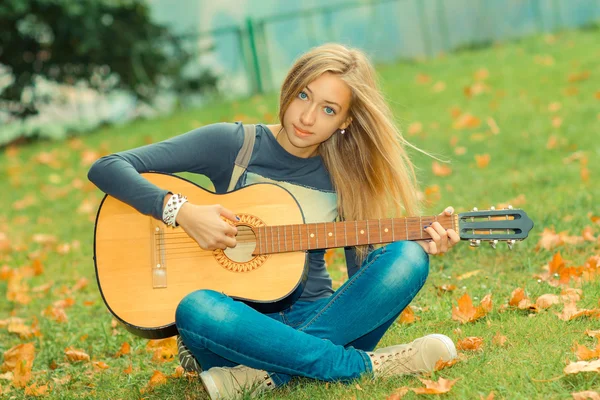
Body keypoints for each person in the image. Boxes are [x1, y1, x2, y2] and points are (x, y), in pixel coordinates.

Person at [88, 43, 460, 399]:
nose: (308, 117)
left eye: (329, 109)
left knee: (408, 258)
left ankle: (259, 377)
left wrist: (417, 242)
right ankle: (361, 367)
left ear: (346, 120)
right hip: (237, 331)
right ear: (290, 87)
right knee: (195, 308)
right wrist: (183, 212)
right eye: (304, 96)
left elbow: (362, 285)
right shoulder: (235, 145)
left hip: (319, 318)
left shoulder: (347, 177)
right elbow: (108, 167)